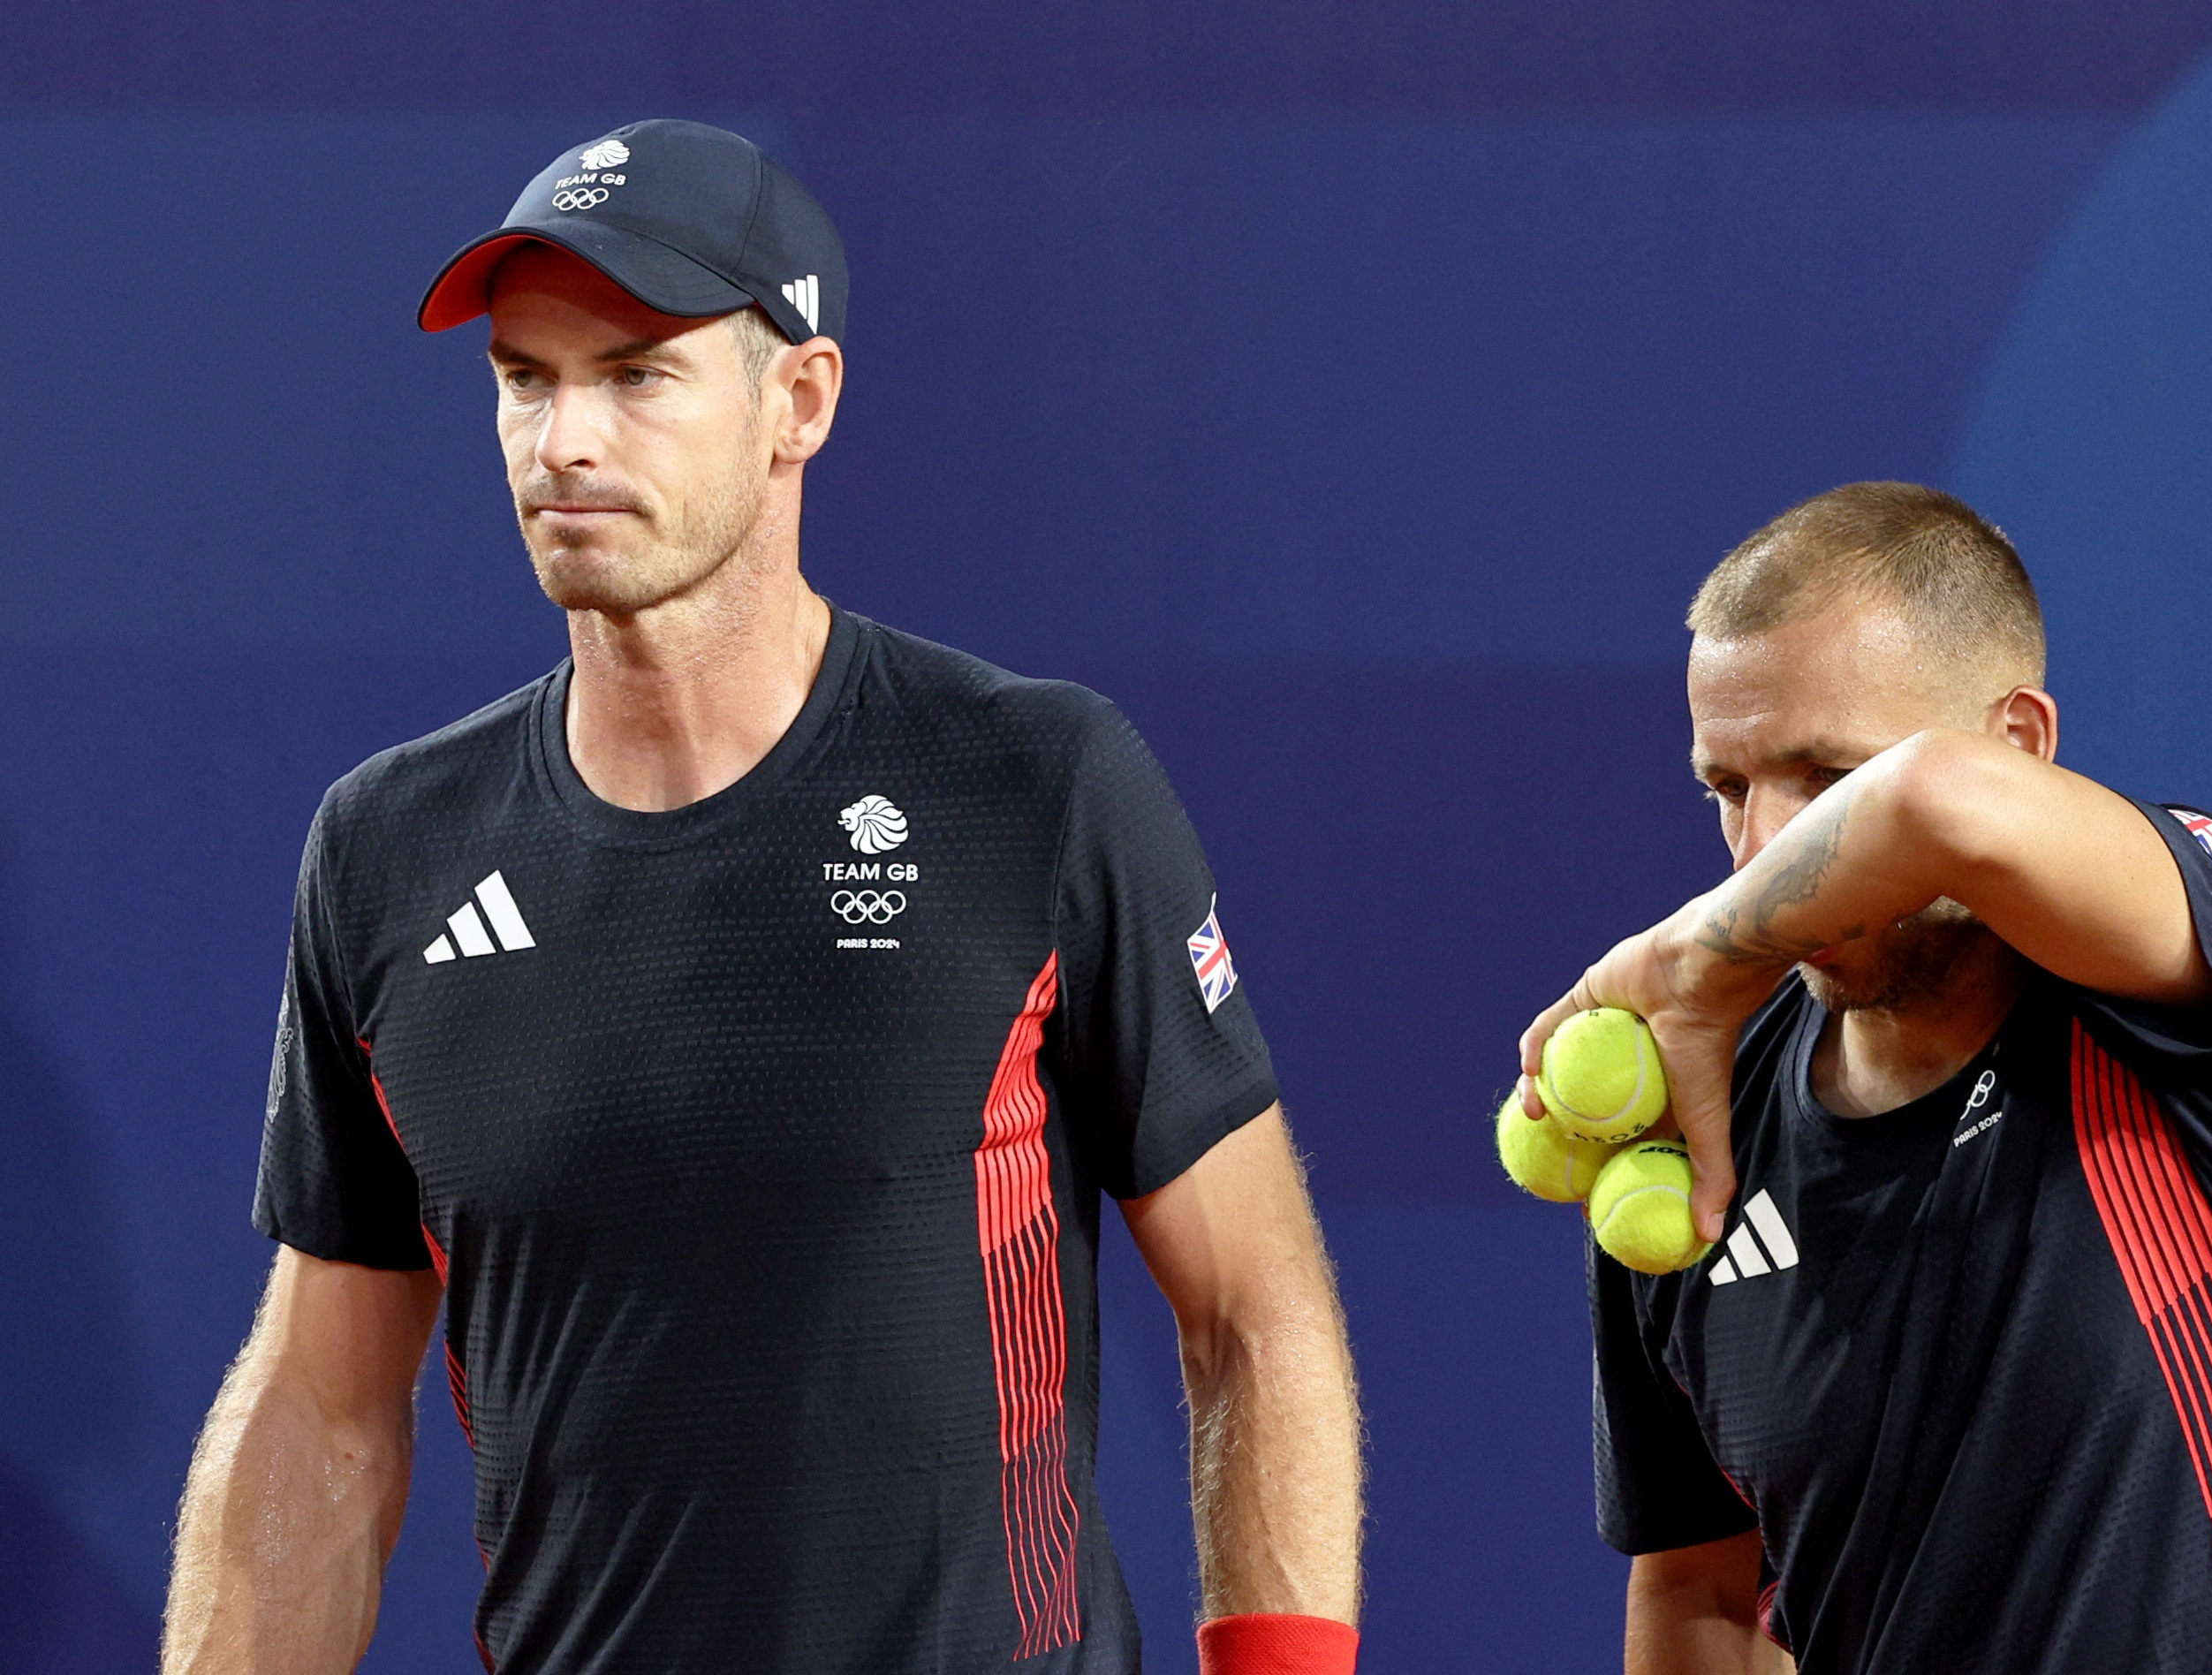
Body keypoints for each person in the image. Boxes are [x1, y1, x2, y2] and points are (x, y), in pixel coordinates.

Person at [161, 120, 1362, 1675]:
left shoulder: (1036, 780)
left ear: (799, 401)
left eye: (639, 373)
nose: (563, 442)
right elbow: (322, 1407)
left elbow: (1256, 1314)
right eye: (526, 380)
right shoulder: (387, 846)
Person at [1519, 482, 2212, 1674]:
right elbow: (1701, 1595)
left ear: (2023, 744)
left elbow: (1942, 807)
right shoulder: (1694, 1125)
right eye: (1727, 788)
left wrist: (1697, 951)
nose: (1761, 847)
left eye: (1827, 776)